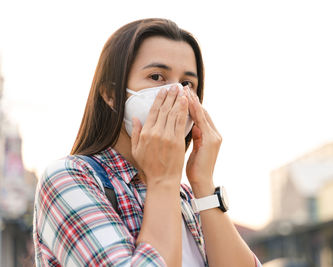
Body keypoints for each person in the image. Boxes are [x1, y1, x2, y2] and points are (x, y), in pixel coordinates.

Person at [33, 18, 262, 267]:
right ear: (110, 94)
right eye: (156, 76)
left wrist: (203, 184)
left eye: (187, 84)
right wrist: (162, 180)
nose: (176, 92)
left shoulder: (185, 197)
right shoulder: (70, 178)